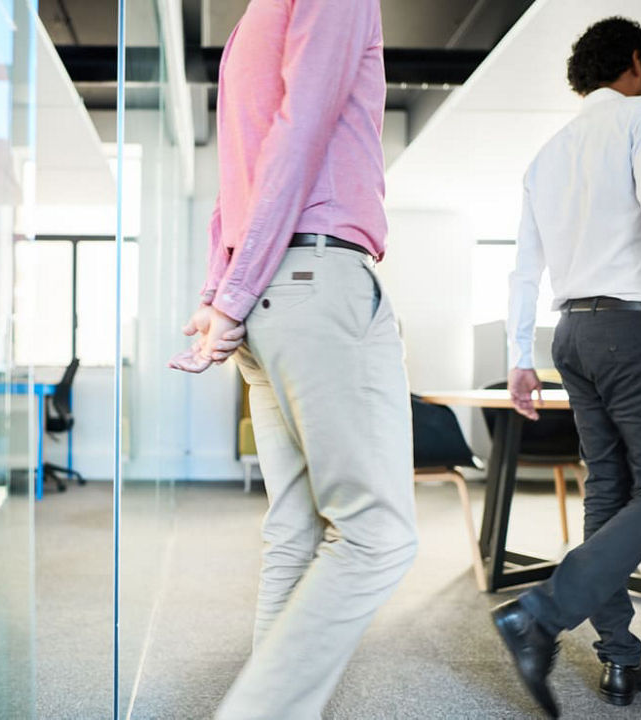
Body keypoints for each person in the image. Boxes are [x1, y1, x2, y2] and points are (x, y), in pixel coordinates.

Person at [168, 1, 417, 717]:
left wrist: (224, 291)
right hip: (314, 280)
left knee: (296, 533)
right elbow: (299, 133)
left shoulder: (250, 25)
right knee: (377, 535)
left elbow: (235, 183)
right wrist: (230, 294)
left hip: (271, 300)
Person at [492, 17, 641, 717]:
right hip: (633, 330)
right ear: (634, 62)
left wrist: (518, 356)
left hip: (572, 336)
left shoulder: (548, 155)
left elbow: (523, 268)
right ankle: (540, 614)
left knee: (609, 489)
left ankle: (621, 660)